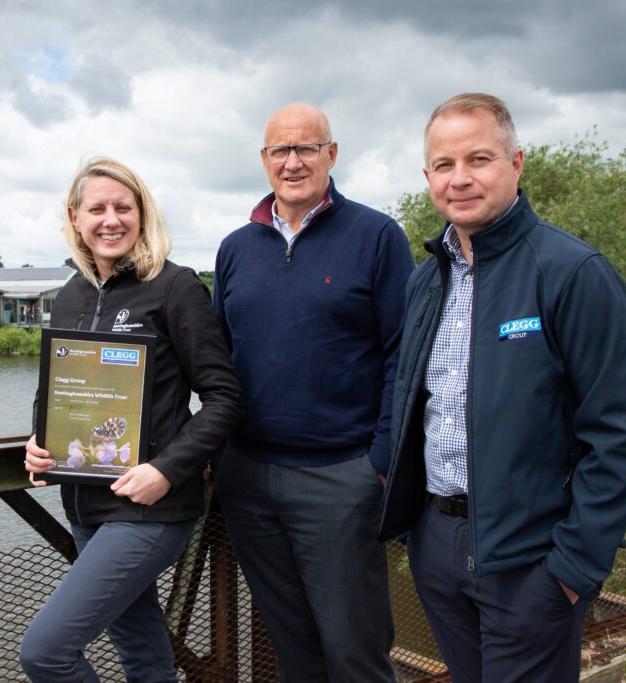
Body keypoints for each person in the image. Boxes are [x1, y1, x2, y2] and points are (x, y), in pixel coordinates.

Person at [378, 93, 626, 682]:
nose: (461, 179)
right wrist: (414, 531)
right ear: (428, 177)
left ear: (516, 163)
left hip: (530, 560)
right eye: (444, 166)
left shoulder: (573, 273)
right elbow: (410, 403)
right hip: (438, 543)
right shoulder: (425, 280)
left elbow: (619, 434)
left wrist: (574, 567)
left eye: (479, 159)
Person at [20, 157, 242, 682]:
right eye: (96, 208)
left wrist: (166, 470)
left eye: (124, 207)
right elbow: (53, 386)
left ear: (143, 215)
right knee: (141, 648)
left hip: (149, 508)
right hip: (83, 503)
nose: (110, 219)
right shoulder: (70, 294)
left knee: (46, 652)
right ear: (75, 218)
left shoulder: (175, 287)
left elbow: (224, 397)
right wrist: (39, 439)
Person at [212, 102, 413, 682]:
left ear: (332, 153)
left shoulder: (376, 236)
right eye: (281, 150)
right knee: (292, 645)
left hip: (340, 476)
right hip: (248, 477)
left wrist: (378, 460)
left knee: (356, 649)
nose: (293, 161)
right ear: (264, 158)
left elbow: (404, 353)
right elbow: (214, 360)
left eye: (306, 148)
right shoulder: (235, 248)